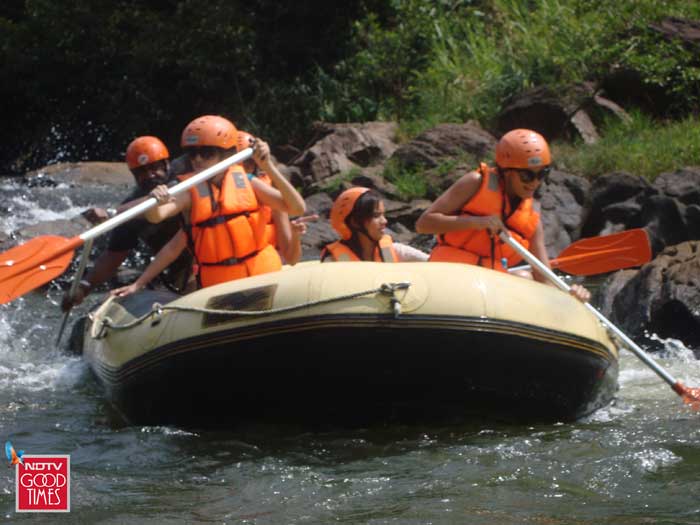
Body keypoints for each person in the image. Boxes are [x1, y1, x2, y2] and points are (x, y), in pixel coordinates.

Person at [114, 115, 305, 294]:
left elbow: (297, 208)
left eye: (206, 153)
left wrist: (268, 167)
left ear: (227, 154)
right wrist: (155, 201)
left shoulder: (249, 182)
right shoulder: (190, 192)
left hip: (263, 277)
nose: (197, 159)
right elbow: (157, 217)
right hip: (220, 289)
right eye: (192, 153)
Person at [415, 128, 590, 302]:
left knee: (525, 278)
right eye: (527, 175)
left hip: (487, 290)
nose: (535, 182)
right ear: (507, 171)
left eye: (542, 174)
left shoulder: (531, 221)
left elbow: (544, 277)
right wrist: (477, 222)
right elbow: (423, 224)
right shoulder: (475, 183)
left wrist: (571, 296)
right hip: (449, 275)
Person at [61, 136, 192, 311]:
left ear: (166, 164)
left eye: (154, 168)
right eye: (141, 172)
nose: (149, 175)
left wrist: (112, 213)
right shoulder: (131, 207)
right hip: (175, 269)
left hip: (202, 256)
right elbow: (114, 256)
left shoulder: (184, 172)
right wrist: (84, 287)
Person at [236, 130, 317, 265]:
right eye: (238, 163)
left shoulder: (268, 197)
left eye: (249, 163)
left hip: (261, 270)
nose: (242, 169)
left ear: (255, 165)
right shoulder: (209, 194)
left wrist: (295, 236)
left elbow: (291, 259)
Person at [321, 187, 429, 262]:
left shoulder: (396, 251)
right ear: (355, 222)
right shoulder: (332, 261)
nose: (385, 221)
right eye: (376, 216)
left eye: (383, 215)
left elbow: (433, 262)